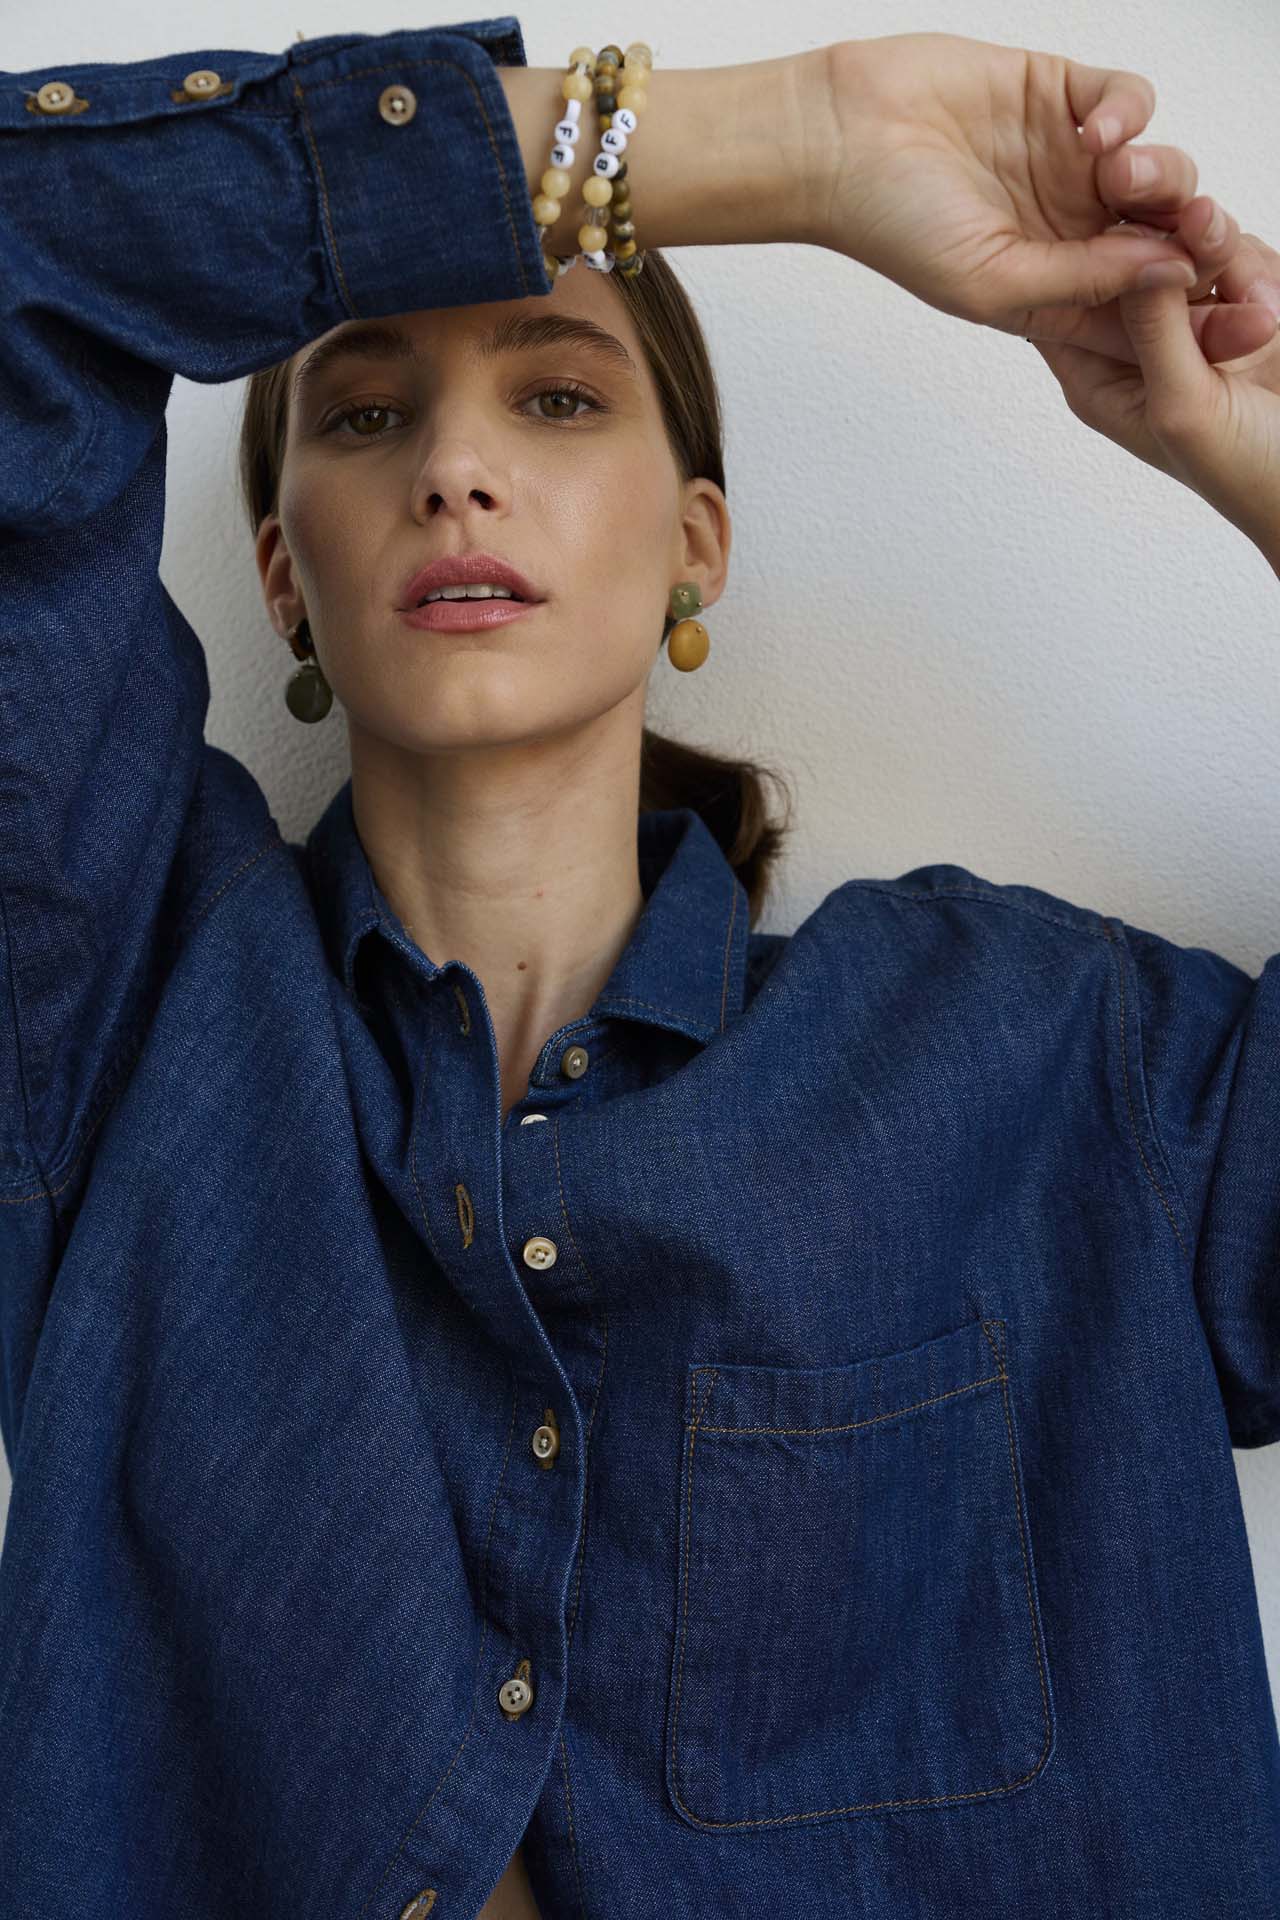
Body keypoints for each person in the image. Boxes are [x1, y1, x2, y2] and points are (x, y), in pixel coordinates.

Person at [0, 19, 1277, 1919]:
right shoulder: (109, 1015)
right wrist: (792, 145)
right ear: (281, 575)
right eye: (365, 415)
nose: (454, 469)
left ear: (697, 550)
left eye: (557, 396)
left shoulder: (1045, 1057)